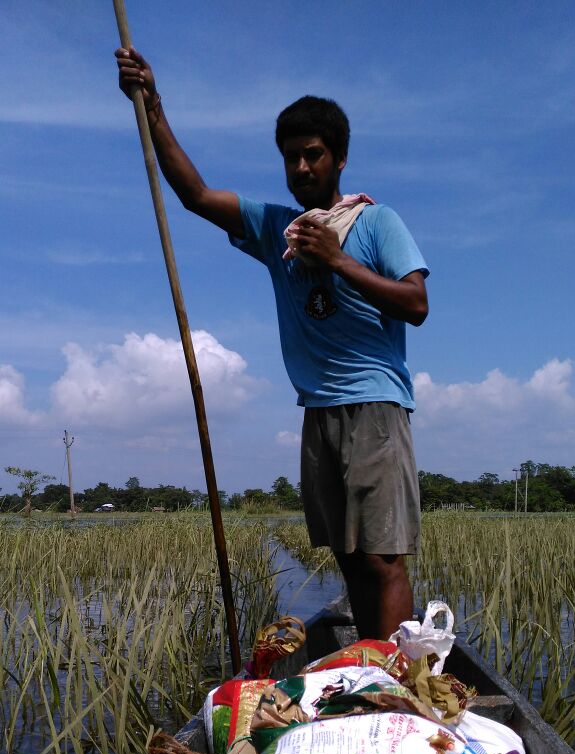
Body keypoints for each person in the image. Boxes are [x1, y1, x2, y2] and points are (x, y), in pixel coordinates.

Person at [115, 48, 429, 639]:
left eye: (313, 155)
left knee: (384, 558)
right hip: (317, 410)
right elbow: (195, 195)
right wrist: (152, 105)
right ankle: (367, 665)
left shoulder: (374, 222)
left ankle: (393, 692)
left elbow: (415, 304)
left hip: (374, 407)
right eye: (291, 158)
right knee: (346, 554)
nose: (302, 167)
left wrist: (335, 260)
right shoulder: (277, 228)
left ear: (338, 159)